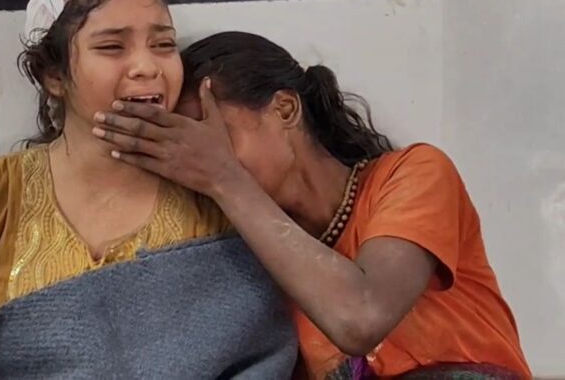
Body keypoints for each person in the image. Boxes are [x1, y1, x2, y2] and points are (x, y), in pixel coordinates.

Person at [92, 31, 531, 379]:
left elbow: (361, 317)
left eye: (217, 138)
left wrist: (224, 176)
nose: (201, 163)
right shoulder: (249, 261)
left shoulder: (413, 174)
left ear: (285, 109)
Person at [0, 0, 236, 379]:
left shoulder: (211, 197)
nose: (147, 67)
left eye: (163, 45)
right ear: (53, 74)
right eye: (112, 47)